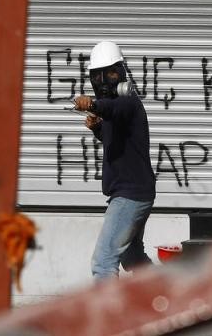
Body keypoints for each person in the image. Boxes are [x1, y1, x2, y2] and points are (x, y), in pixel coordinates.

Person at [73, 40, 156, 279]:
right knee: (133, 257)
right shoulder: (117, 109)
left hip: (129, 196)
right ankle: (168, 298)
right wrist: (98, 129)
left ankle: (110, 317)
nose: (103, 81)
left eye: (108, 73)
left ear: (119, 72)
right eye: (98, 76)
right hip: (136, 193)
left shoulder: (128, 103)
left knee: (103, 263)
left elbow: (111, 109)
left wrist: (94, 105)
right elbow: (119, 142)